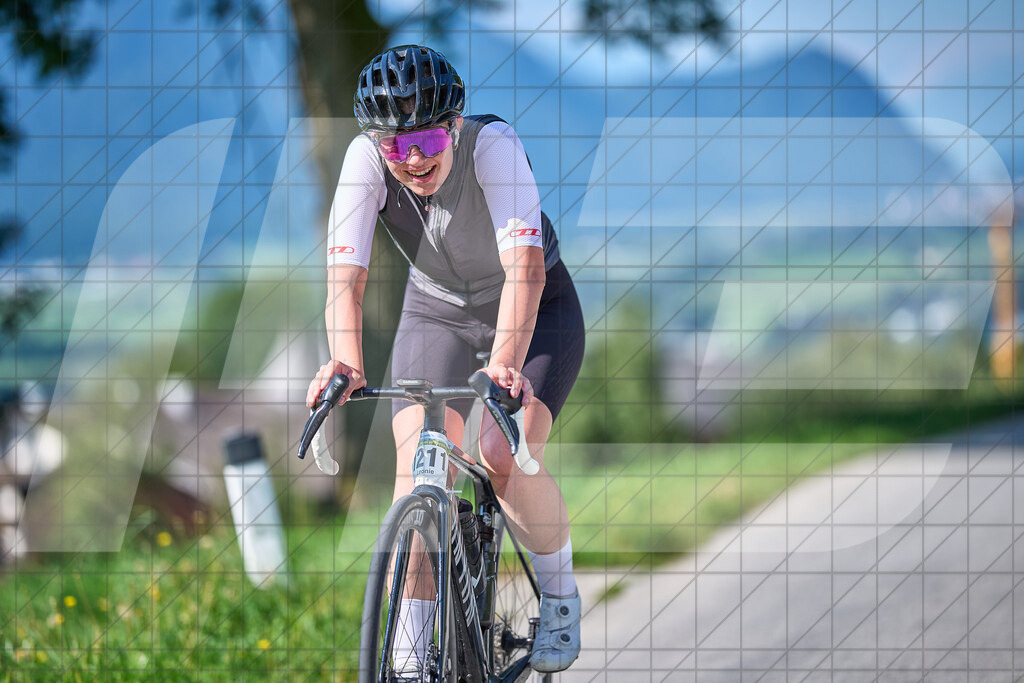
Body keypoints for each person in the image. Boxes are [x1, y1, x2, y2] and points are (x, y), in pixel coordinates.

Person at [305, 44, 585, 675]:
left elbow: (527, 268)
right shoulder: (364, 161)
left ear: (454, 124)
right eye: (394, 143)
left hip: (535, 311)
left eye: (428, 136)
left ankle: (561, 598)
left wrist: (508, 361)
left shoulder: (494, 146)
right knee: (419, 473)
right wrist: (345, 362)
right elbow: (344, 283)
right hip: (435, 314)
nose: (413, 157)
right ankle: (410, 653)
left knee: (501, 455)